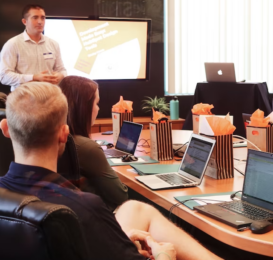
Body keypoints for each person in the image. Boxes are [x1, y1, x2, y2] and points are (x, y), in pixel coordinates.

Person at [0, 82, 221, 260]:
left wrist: (120, 238)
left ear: (5, 129)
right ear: (64, 134)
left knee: (135, 208)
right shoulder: (84, 207)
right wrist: (164, 254)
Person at [58, 75, 128, 211]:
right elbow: (121, 197)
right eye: (96, 103)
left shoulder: (53, 139)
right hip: (98, 217)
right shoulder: (86, 147)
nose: (98, 109)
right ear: (83, 107)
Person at [0, 4, 66, 91]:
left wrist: (60, 75)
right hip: (23, 99)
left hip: (50, 97)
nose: (40, 21)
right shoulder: (13, 44)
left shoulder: (53, 44)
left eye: (42, 18)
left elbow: (62, 70)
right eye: (35, 17)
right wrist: (33, 77)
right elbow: (4, 76)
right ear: (24, 21)